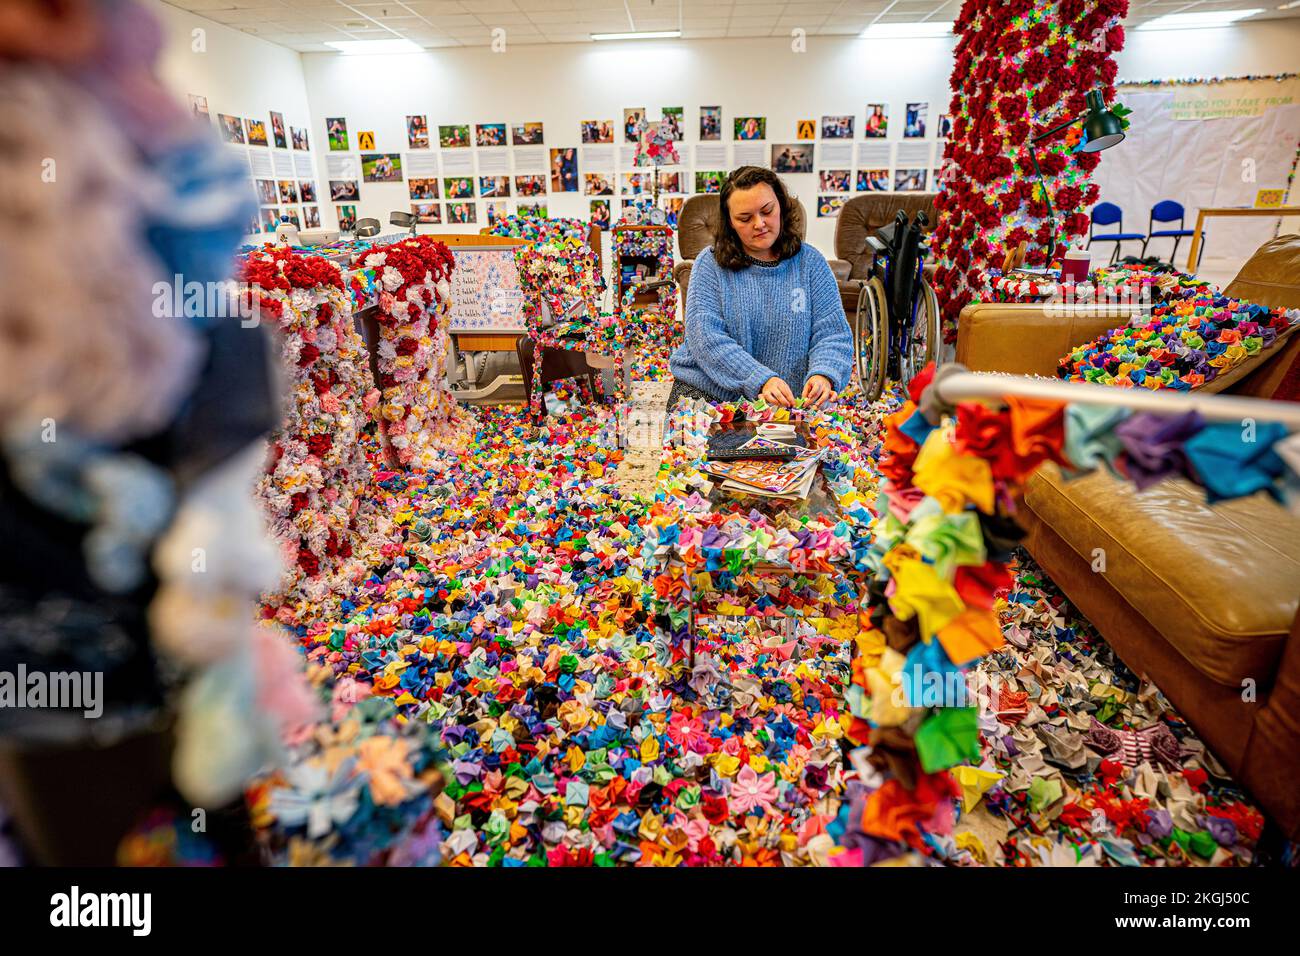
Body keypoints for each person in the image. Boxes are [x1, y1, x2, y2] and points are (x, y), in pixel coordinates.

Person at [667, 166, 852, 412]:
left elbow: (832, 334)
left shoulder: (811, 263)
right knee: (717, 451)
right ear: (730, 223)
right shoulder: (709, 264)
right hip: (710, 394)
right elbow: (706, 338)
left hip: (787, 402)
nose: (760, 224)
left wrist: (824, 374)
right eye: (745, 218)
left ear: (782, 207)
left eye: (767, 211)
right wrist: (760, 378)